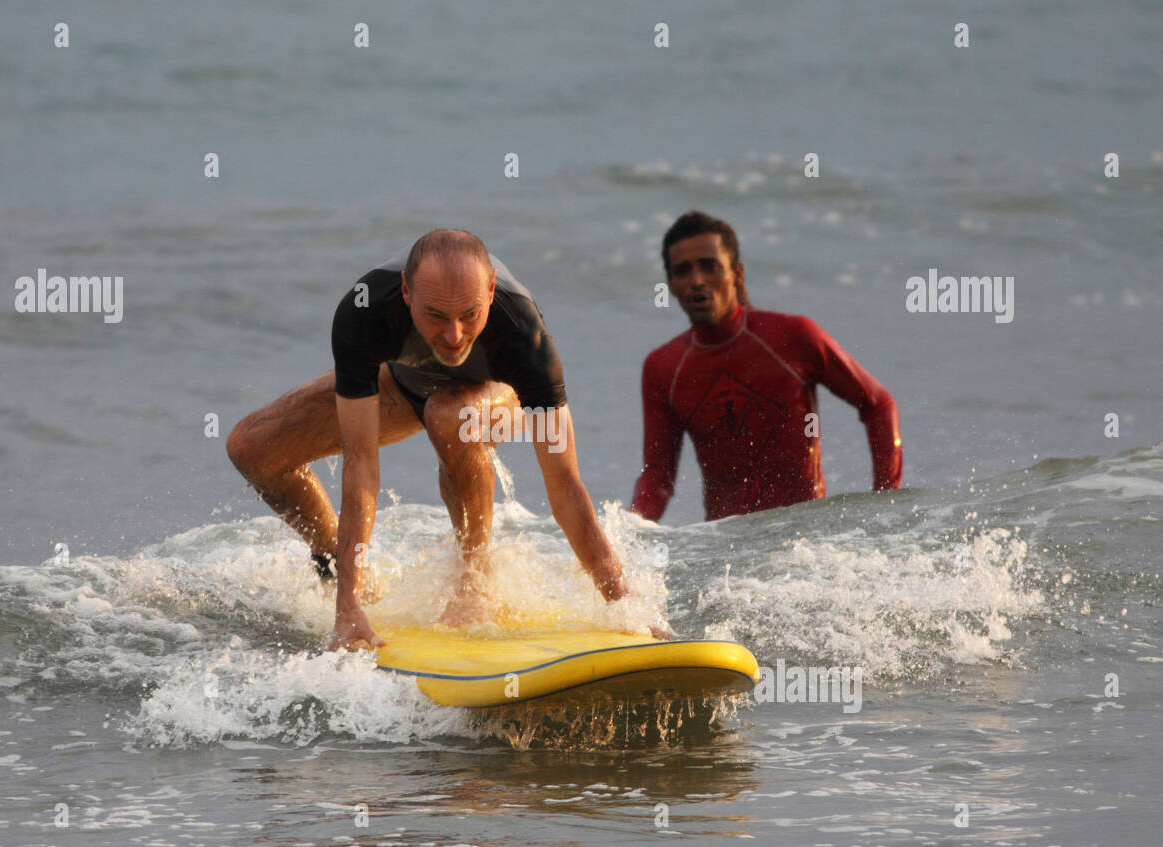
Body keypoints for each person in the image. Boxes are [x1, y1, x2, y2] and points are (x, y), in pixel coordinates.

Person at [228, 229, 644, 650]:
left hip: (497, 398)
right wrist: (347, 606)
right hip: (405, 387)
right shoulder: (365, 309)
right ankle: (335, 562)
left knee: (449, 416)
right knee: (251, 447)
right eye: (436, 316)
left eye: (469, 314)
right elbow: (361, 465)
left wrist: (624, 603)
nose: (453, 335)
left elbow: (566, 489)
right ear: (407, 293)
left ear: (491, 290)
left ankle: (475, 580)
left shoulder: (523, 333)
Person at [631, 210, 902, 521]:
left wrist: (886, 505)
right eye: (683, 271)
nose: (696, 281)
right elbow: (658, 477)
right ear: (672, 285)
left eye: (710, 267)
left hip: (805, 541)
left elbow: (878, 404)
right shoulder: (663, 367)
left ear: (737, 274)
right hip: (725, 549)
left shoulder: (794, 336)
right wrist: (628, 529)